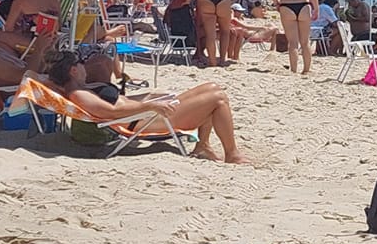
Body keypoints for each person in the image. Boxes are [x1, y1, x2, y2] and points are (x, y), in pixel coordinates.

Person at [42, 48, 243, 163]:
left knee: (212, 86)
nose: (84, 66)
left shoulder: (83, 87)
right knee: (217, 98)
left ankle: (203, 145)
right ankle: (232, 154)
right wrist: (150, 106)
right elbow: (112, 112)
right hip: (143, 121)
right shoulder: (78, 94)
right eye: (80, 63)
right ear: (73, 71)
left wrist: (150, 97)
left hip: (143, 114)